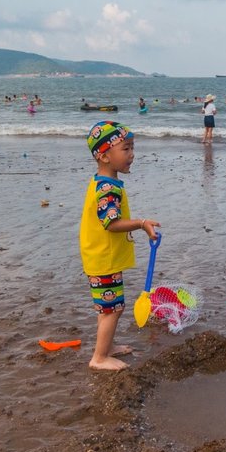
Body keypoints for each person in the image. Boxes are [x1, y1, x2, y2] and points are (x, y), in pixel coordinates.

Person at [80, 121, 160, 370]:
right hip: (103, 258)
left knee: (108, 307)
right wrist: (141, 223)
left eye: (132, 147)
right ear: (104, 156)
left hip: (101, 256)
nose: (132, 154)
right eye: (126, 149)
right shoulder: (107, 189)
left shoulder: (103, 182)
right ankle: (99, 358)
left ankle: (107, 347)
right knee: (112, 310)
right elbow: (111, 223)